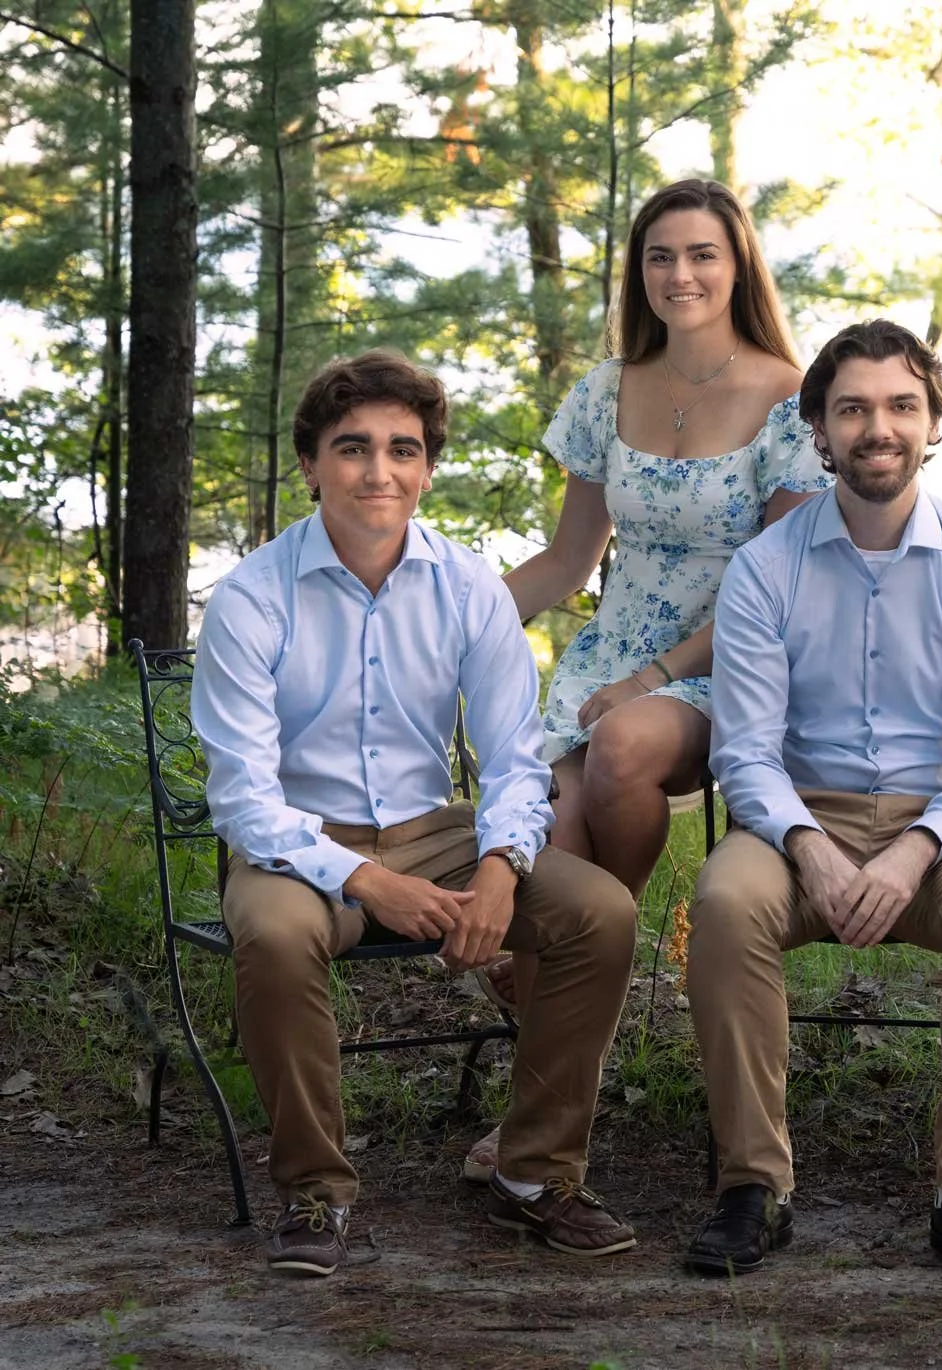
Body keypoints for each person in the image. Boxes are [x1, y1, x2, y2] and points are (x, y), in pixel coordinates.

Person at [192, 349, 640, 1276]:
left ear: (428, 468)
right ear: (311, 463)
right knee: (275, 936)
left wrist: (498, 870)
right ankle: (315, 1192)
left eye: (403, 449)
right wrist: (366, 882)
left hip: (438, 834)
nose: (378, 470)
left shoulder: (471, 590)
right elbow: (242, 795)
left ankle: (533, 1173)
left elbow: (518, 757)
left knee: (600, 912)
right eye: (351, 448)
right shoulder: (250, 597)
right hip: (297, 845)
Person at [465, 177, 831, 1176]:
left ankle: (599, 950)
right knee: (547, 817)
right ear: (640, 272)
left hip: (734, 665)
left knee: (621, 748)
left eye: (702, 253)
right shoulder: (605, 390)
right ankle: (540, 1134)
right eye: (660, 256)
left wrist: (655, 677)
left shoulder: (790, 399)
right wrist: (436, 626)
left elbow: (776, 584)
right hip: (606, 657)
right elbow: (566, 561)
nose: (681, 274)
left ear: (738, 263)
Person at [683, 319, 942, 1282]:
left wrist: (915, 846)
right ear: (818, 429)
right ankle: (753, 1185)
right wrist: (810, 846)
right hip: (800, 815)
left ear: (931, 425)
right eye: (852, 409)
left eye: (899, 406)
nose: (876, 427)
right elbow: (746, 753)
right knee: (723, 903)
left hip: (941, 827)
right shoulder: (765, 568)